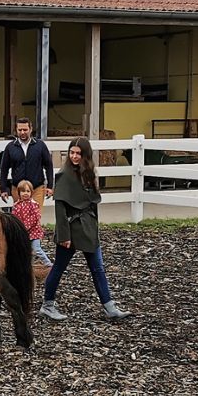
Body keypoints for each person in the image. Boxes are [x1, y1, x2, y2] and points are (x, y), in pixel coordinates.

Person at [39, 137, 131, 322]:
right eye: (71, 152)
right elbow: (60, 208)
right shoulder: (64, 175)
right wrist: (64, 236)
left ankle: (110, 307)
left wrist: (95, 227)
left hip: (88, 227)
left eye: (78, 153)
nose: (74, 156)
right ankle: (47, 306)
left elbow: (92, 204)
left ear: (85, 155)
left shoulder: (88, 173)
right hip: (71, 229)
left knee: (98, 268)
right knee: (59, 267)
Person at [0, 117, 55, 208]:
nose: (22, 132)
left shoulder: (40, 146)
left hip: (37, 188)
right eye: (20, 130)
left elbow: (49, 166)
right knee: (19, 216)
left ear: (31, 129)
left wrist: (50, 186)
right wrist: (3, 188)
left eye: (25, 130)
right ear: (16, 130)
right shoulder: (10, 147)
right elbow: (4, 169)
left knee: (36, 215)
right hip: (18, 189)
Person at [10, 180, 54, 267]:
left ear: (31, 192)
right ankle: (28, 265)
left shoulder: (33, 204)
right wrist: (18, 228)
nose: (25, 193)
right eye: (23, 191)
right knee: (25, 250)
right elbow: (15, 218)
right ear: (19, 193)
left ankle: (48, 263)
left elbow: (35, 218)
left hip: (34, 232)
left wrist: (25, 227)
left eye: (28, 191)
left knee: (36, 249)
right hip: (23, 232)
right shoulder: (16, 206)